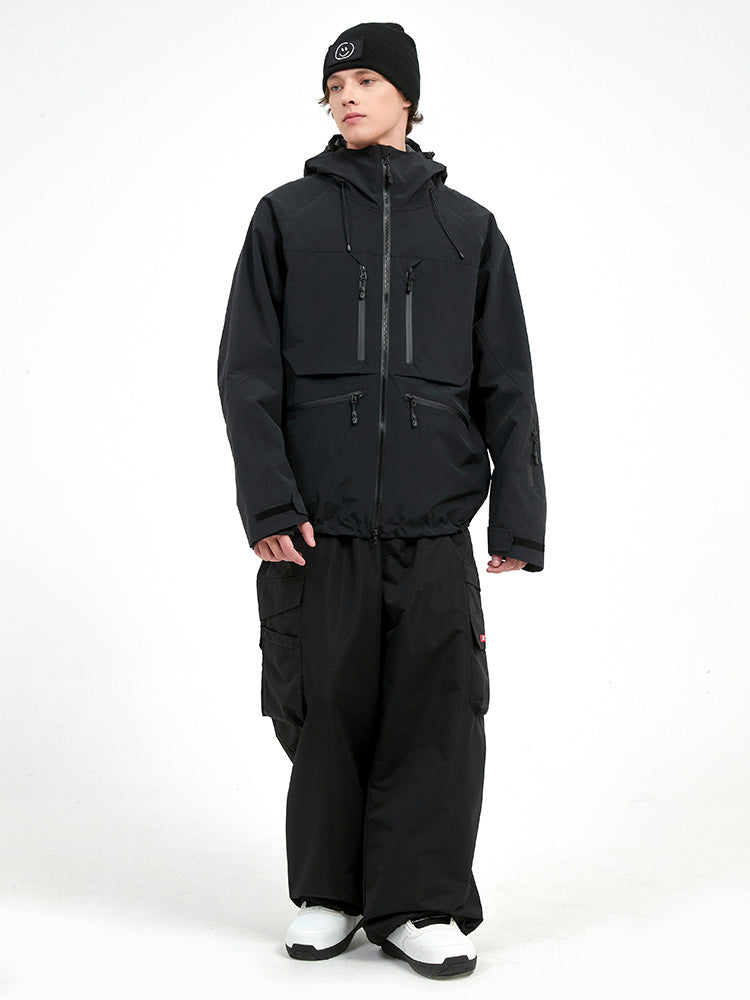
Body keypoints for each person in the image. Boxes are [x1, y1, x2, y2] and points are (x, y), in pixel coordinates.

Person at [217, 22, 547, 979]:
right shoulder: (286, 218)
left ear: (406, 95)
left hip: (434, 524)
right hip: (318, 528)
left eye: (365, 80)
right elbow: (246, 371)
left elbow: (508, 382)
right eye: (335, 85)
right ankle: (331, 893)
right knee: (322, 708)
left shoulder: (468, 229)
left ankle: (419, 903)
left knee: (437, 715)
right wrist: (268, 503)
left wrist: (518, 516)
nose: (347, 97)